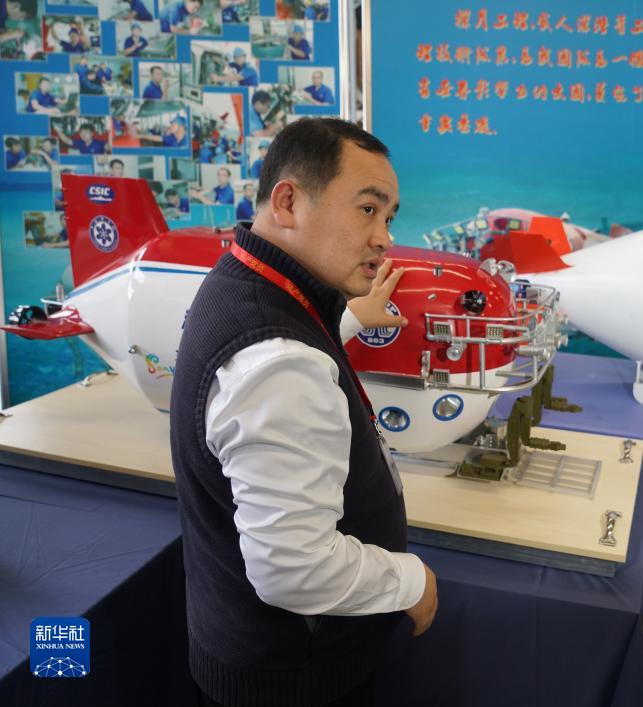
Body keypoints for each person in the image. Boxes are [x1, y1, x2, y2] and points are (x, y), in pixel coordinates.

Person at [170, 118, 436, 707]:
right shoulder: (280, 361)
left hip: (248, 651)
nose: (384, 238)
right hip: (295, 678)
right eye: (367, 209)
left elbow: (284, 348)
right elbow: (293, 569)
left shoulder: (244, 282)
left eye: (388, 217)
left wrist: (351, 319)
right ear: (288, 201)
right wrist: (411, 581)